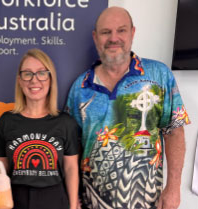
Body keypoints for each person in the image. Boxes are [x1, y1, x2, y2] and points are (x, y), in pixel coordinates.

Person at [66, 6, 190, 209]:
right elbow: (72, 148)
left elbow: (174, 132)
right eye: (106, 32)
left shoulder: (158, 75)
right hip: (91, 203)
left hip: (148, 203)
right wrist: (72, 198)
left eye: (121, 30)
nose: (113, 38)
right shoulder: (80, 88)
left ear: (132, 33)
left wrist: (173, 189)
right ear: (95, 37)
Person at [0, 48, 80, 209]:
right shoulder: (6, 122)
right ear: (19, 80)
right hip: (14, 200)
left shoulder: (66, 123)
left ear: (50, 79)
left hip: (54, 200)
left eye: (41, 73)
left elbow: (71, 168)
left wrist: (73, 206)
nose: (34, 80)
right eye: (27, 73)